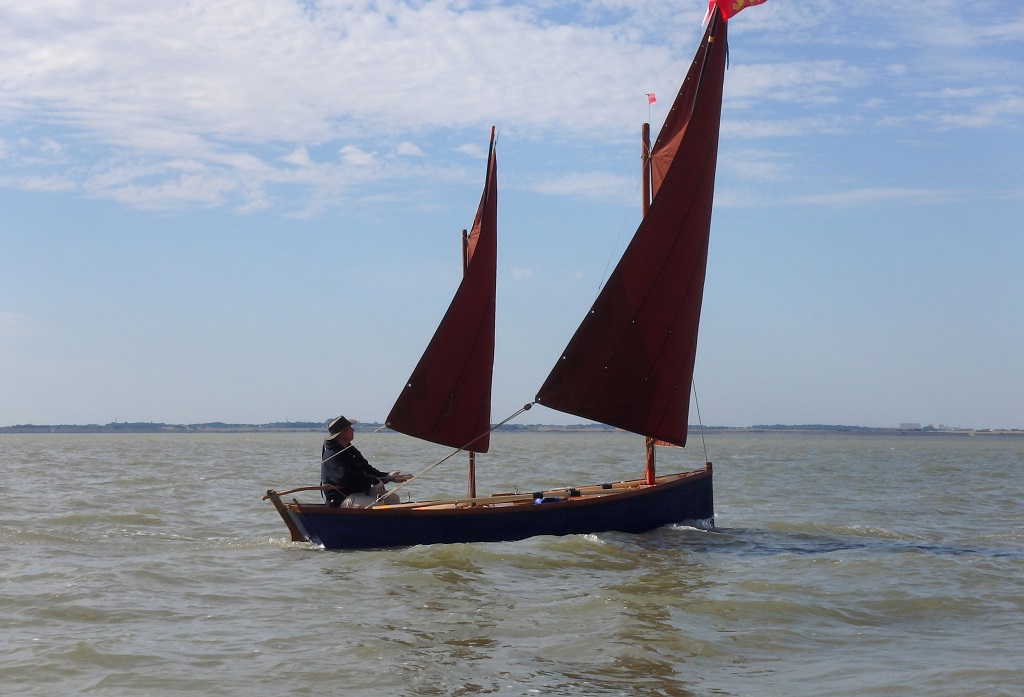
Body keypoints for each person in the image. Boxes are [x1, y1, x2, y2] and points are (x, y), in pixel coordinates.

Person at [320, 416, 409, 508]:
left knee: (393, 498)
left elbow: (367, 468)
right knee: (378, 505)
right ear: (342, 433)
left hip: (360, 492)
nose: (353, 430)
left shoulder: (349, 449)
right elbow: (345, 478)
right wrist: (372, 479)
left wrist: (388, 476)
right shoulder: (332, 455)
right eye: (349, 428)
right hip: (342, 499)